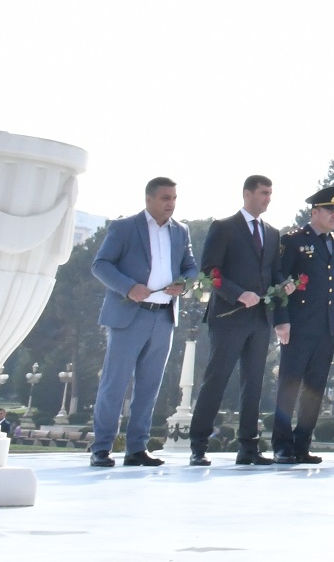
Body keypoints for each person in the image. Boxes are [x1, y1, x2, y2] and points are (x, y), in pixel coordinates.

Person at [88, 176, 197, 468]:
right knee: (115, 384)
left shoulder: (181, 231)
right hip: (128, 316)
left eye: (174, 198)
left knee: (149, 387)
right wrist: (128, 287)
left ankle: (137, 449)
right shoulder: (124, 228)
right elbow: (100, 265)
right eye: (165, 198)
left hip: (163, 317)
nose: (171, 204)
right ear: (148, 199)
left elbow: (191, 267)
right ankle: (101, 448)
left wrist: (183, 284)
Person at [188, 174, 282, 467]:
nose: (268, 198)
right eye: (264, 192)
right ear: (247, 194)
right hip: (228, 317)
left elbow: (273, 273)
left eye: (271, 193)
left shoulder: (272, 233)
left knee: (254, 383)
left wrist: (283, 288)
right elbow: (209, 271)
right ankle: (199, 445)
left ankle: (248, 447)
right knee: (217, 379)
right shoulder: (224, 227)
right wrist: (238, 294)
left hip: (260, 319)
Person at [271, 185, 334, 464]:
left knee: (315, 388)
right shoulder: (294, 241)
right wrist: (281, 320)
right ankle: (282, 445)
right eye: (329, 210)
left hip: (327, 327)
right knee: (290, 385)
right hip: (299, 325)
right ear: (314, 211)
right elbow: (280, 281)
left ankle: (302, 443)